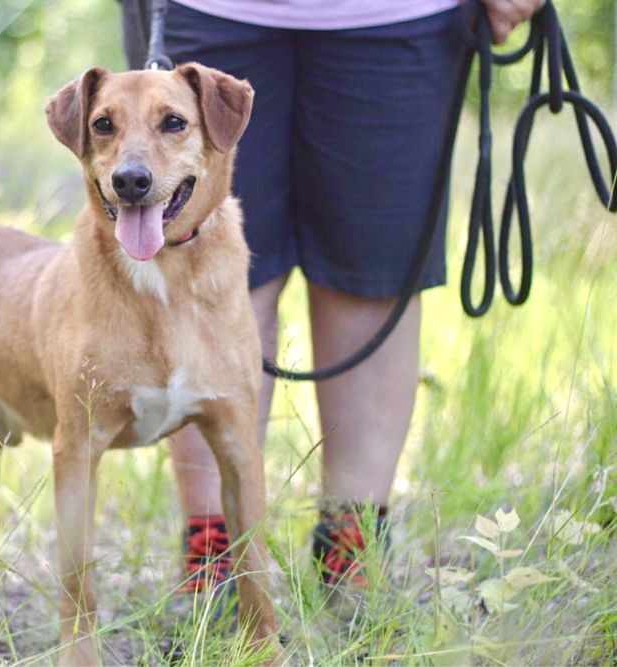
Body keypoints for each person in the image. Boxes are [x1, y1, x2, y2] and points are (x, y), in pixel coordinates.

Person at [120, 0, 545, 594]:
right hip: (203, 9)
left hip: (396, 15)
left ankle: (353, 543)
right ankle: (218, 550)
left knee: (372, 274)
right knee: (200, 263)